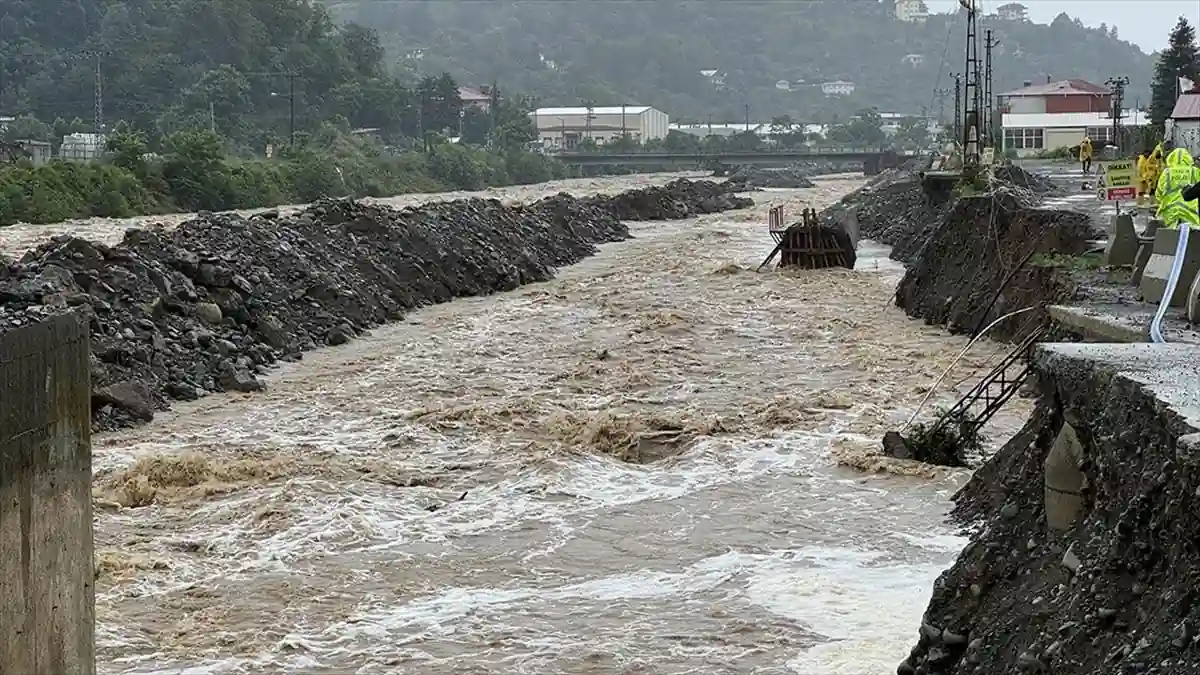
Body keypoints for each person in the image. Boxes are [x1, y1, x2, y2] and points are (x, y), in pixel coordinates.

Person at [1155, 147, 1200, 229]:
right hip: (1190, 211)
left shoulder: (1167, 172)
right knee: (1192, 238)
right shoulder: (1195, 171)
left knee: (1171, 238)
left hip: (1170, 211)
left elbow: (1158, 194)